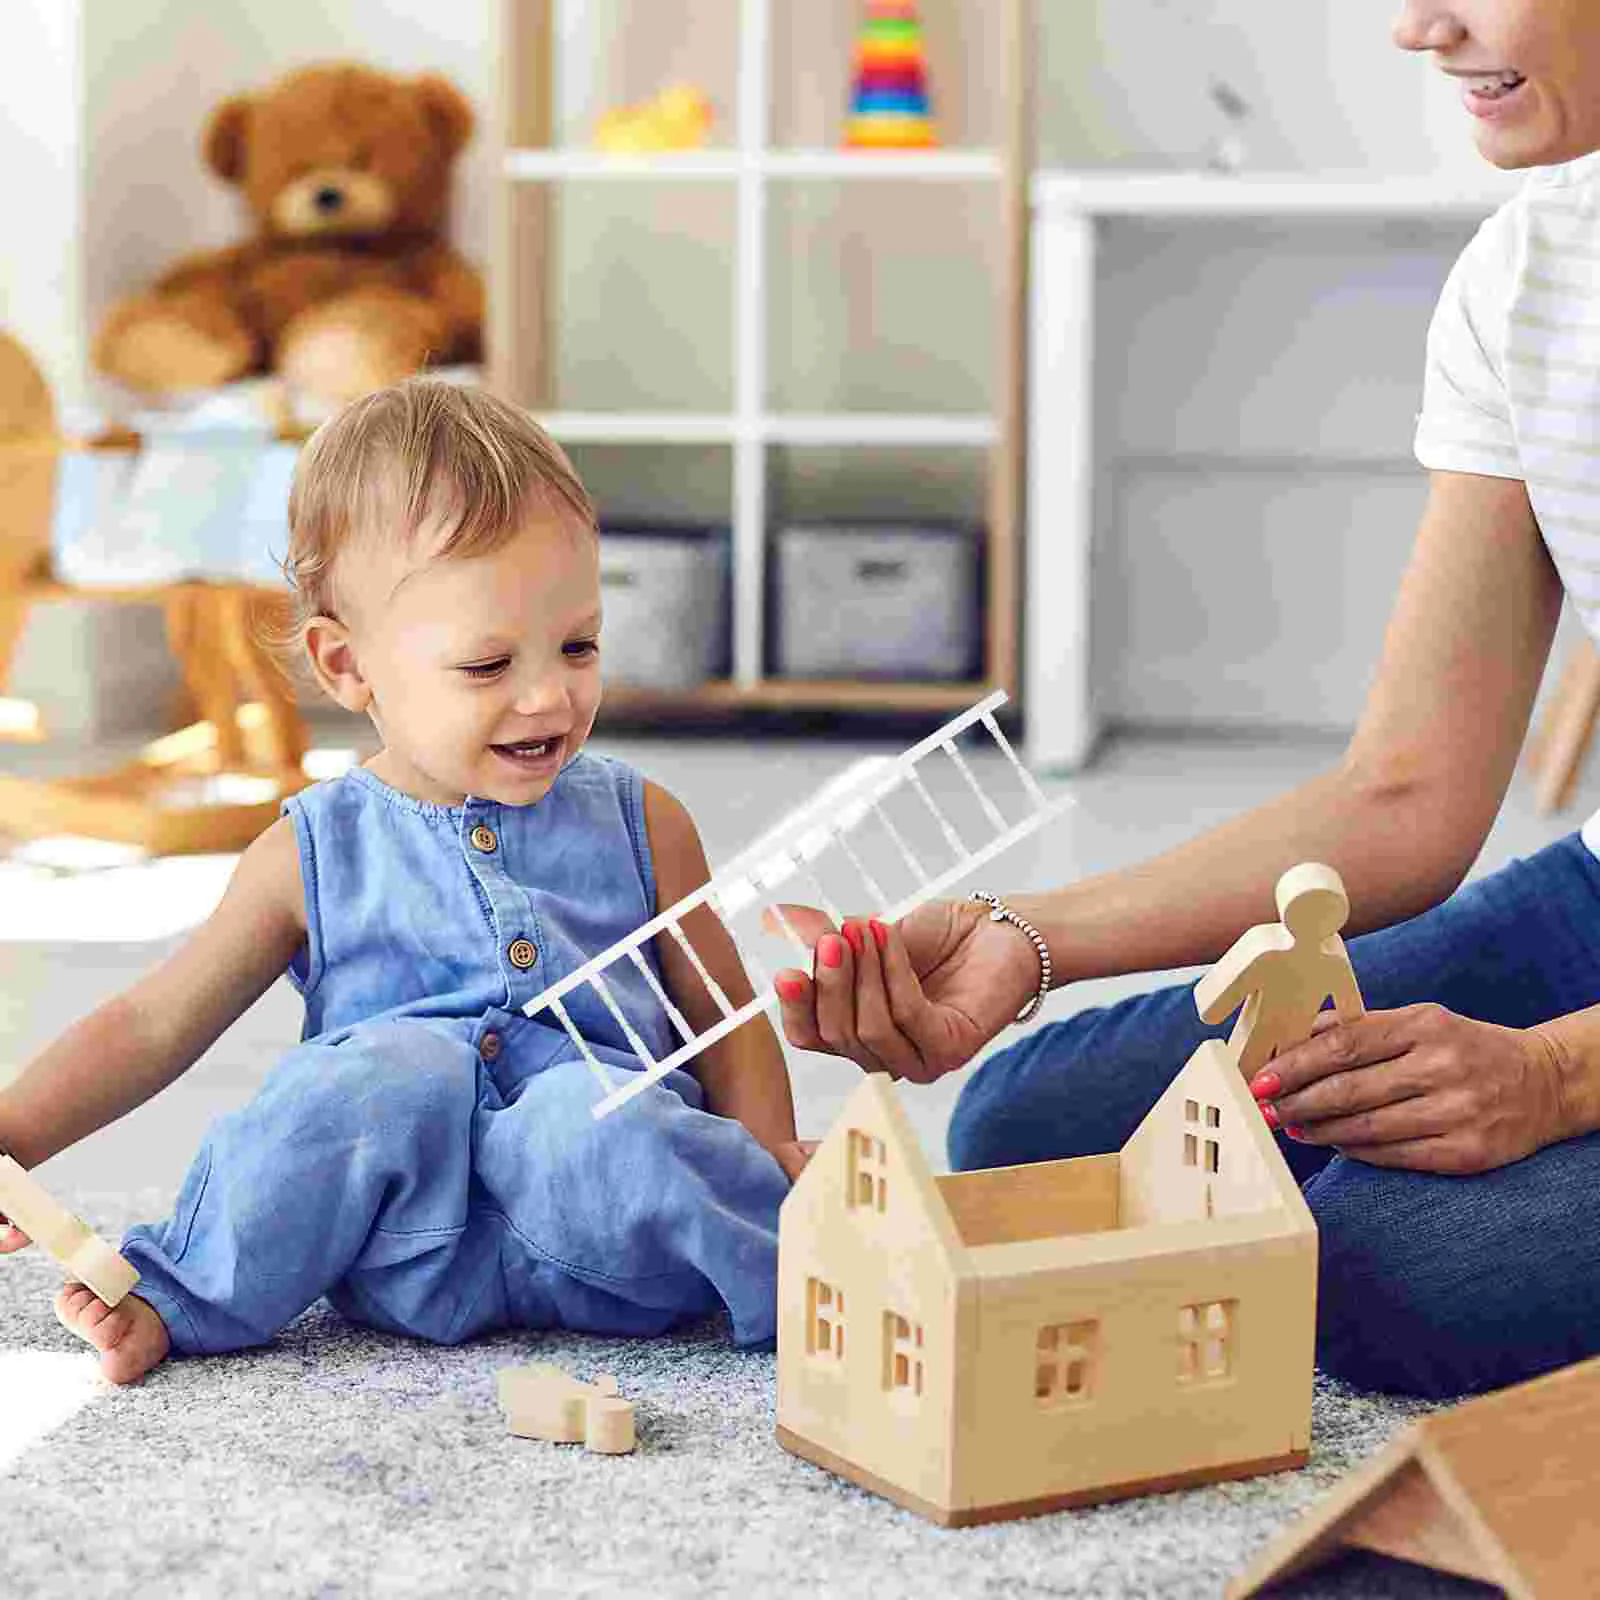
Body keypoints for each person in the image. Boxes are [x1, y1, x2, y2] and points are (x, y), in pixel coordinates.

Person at [771, 0, 1600, 1402]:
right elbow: (1405, 792)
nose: (1420, 27)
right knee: (1042, 1127)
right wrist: (1024, 944)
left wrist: (1556, 1082)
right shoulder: (1534, 271)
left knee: (1386, 1267)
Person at [0, 378, 805, 1384]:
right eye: (486, 665)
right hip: (403, 1248)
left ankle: (805, 1274)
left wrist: (770, 1155)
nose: (547, 692)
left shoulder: (646, 824)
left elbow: (723, 1018)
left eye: (578, 645)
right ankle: (180, 1296)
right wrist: (13, 1133)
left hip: (611, 1231)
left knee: (593, 1113)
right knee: (366, 1082)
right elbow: (155, 1022)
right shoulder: (310, 850)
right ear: (348, 666)